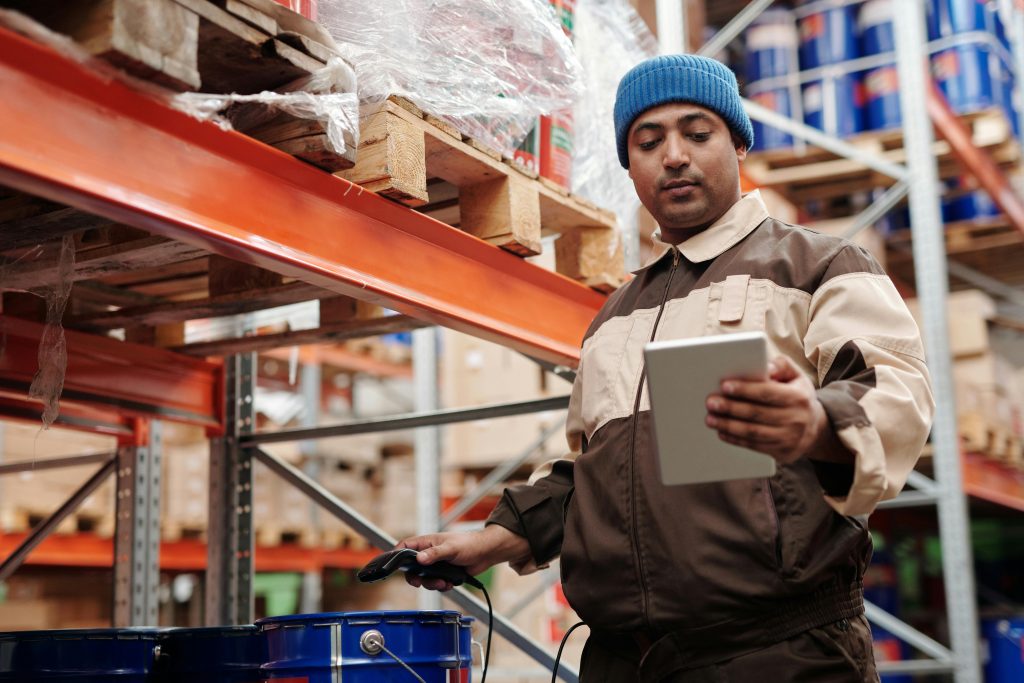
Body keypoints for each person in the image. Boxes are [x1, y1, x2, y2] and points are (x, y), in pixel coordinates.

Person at [399, 54, 934, 682]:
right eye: (647, 143)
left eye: (697, 134)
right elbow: (597, 471)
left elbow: (896, 398)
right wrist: (497, 537)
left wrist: (815, 423)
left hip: (777, 657)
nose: (673, 156)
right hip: (628, 664)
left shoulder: (817, 266)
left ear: (738, 143)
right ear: (630, 169)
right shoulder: (615, 316)